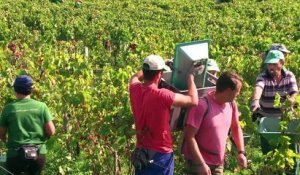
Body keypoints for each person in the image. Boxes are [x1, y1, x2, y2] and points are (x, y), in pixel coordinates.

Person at [129, 55, 198, 175]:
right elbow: (193, 100)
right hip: (160, 155)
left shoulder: (134, 89)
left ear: (145, 73)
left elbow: (135, 76)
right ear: (159, 75)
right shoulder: (162, 95)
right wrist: (190, 78)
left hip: (142, 153)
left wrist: (160, 65)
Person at [182, 71, 247, 175]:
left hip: (218, 163)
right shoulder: (202, 105)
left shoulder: (232, 104)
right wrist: (201, 164)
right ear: (228, 91)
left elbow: (236, 127)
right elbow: (189, 136)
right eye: (237, 91)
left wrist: (241, 152)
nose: (238, 94)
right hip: (198, 163)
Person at [0, 75, 55, 175]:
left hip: (15, 155)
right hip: (38, 154)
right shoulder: (41, 107)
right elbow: (51, 131)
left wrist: (6, 141)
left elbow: (1, 133)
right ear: (31, 89)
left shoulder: (8, 108)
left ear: (15, 89)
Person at [251, 50, 298, 118]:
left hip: (283, 118)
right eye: (269, 64)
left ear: (282, 63)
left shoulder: (289, 76)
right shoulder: (263, 77)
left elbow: (294, 92)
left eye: (274, 64)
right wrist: (255, 100)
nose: (271, 67)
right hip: (264, 117)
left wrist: (291, 99)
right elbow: (258, 87)